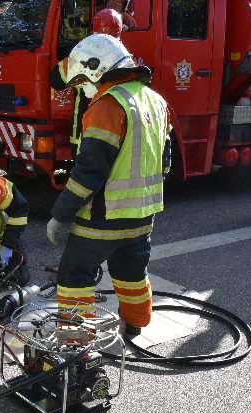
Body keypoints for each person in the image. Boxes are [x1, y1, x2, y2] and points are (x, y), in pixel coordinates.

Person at [45, 34, 171, 337]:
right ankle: (135, 325)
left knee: (75, 274)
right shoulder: (155, 100)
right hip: (143, 217)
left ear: (94, 69)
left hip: (103, 217)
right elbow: (165, 163)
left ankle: (76, 341)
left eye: (80, 81)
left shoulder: (108, 105)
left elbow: (89, 173)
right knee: (131, 274)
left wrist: (60, 215)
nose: (82, 88)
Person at [50, 8, 124, 158]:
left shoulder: (81, 57)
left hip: (82, 139)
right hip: (113, 141)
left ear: (93, 30)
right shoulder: (125, 60)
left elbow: (55, 80)